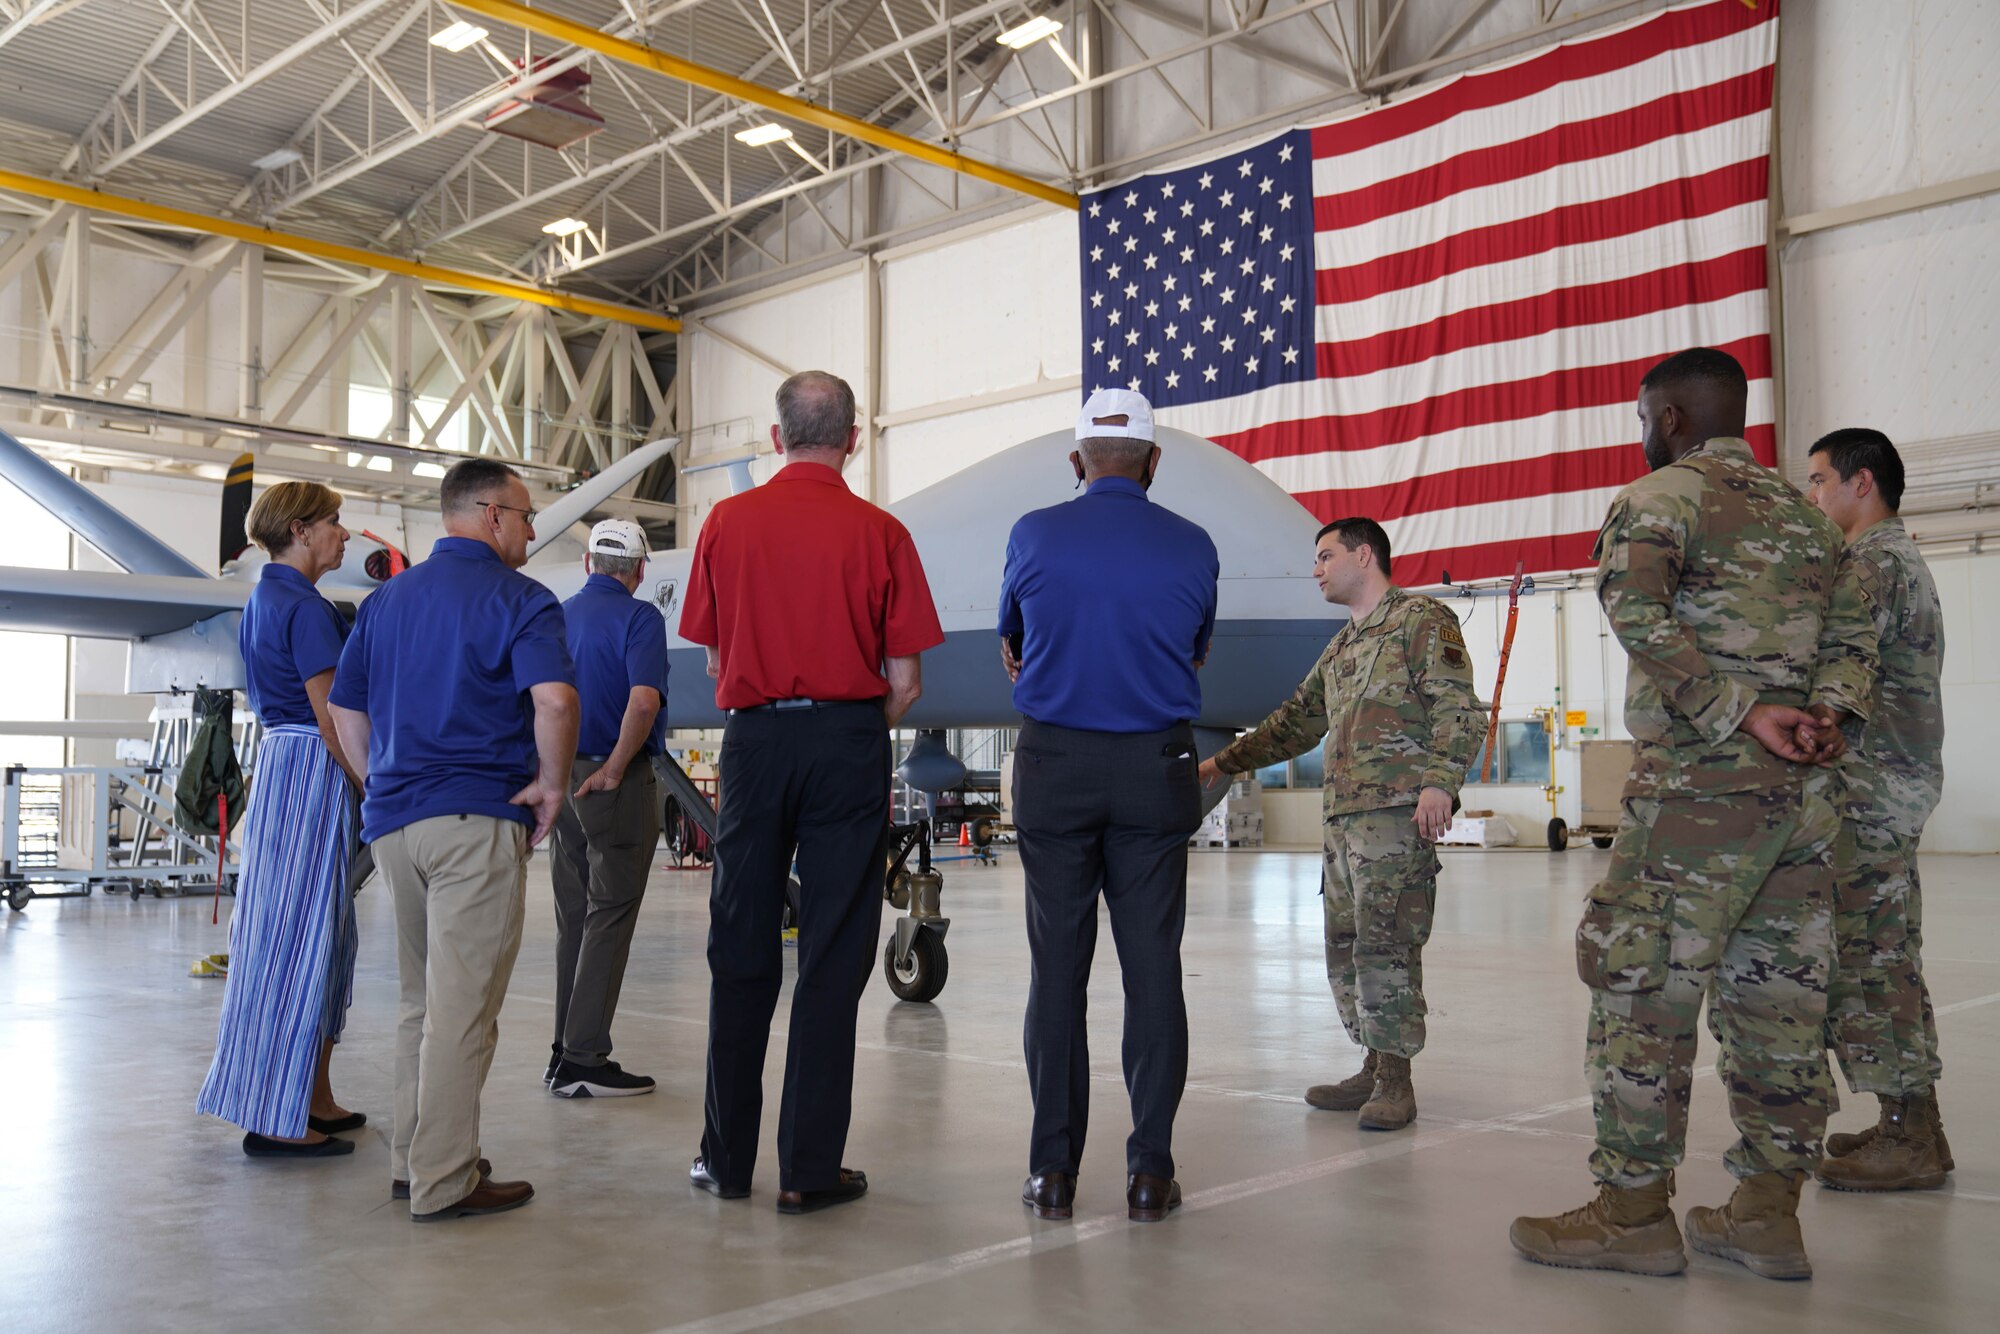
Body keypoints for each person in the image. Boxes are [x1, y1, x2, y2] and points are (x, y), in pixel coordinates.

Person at [1509, 347, 1876, 1281]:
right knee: (1782, 1003)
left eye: (1643, 416)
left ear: (1668, 416)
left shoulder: (1663, 495)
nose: (1642, 432)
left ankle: (1632, 1213)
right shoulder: (1812, 518)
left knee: (1642, 995)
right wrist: (1827, 717)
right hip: (1802, 802)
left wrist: (1734, 711)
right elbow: (1853, 637)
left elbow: (1637, 610)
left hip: (1694, 801)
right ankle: (1766, 1214)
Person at [678, 370, 943, 1214]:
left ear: (775, 433)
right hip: (847, 741)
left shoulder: (726, 522)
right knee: (833, 951)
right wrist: (856, 721)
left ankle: (725, 1160)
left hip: (755, 741)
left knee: (741, 940)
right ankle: (808, 1170)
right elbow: (906, 680)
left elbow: (715, 659)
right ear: (855, 438)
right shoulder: (882, 532)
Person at [329, 458, 578, 1222]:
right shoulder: (522, 598)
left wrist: (383, 786)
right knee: (463, 1011)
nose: (534, 530)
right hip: (475, 821)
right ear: (491, 514)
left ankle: (414, 1161)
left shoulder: (385, 601)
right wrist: (553, 784)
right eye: (528, 515)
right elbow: (556, 699)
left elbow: (346, 712)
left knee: (420, 1004)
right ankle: (444, 1178)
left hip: (398, 826)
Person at [1001, 389, 1217, 1225]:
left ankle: (1052, 1172)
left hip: (1055, 763)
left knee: (1058, 968)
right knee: (1152, 966)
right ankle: (1150, 1173)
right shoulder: (1193, 545)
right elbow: (1197, 642)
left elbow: (1013, 640)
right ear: (1154, 463)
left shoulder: (1034, 533)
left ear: (1077, 461)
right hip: (1155, 764)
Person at [1197, 517, 1482, 1132]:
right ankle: (1373, 1064)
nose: (1316, 569)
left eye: (1326, 556)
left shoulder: (1421, 623)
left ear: (1363, 554)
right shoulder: (1343, 646)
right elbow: (1296, 722)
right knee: (1345, 947)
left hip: (1394, 816)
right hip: (1342, 822)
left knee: (1387, 943)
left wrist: (1441, 782)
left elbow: (1458, 706)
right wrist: (1221, 762)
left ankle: (1397, 1082)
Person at [198, 482, 366, 1159]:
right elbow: (331, 718)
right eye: (334, 523)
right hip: (311, 769)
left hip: (284, 767)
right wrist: (371, 785)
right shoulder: (303, 608)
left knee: (325, 936)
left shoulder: (264, 599)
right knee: (301, 938)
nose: (344, 535)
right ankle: (274, 1113)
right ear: (299, 530)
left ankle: (312, 1094)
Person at [1803, 429, 1950, 1191]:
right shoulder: (1893, 559)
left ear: (1863, 484)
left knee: (1874, 962)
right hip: (1888, 785)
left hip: (1871, 792)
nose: (1812, 495)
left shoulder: (1873, 566)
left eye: (1820, 480)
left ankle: (1911, 1134)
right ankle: (1910, 1122)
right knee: (1885, 956)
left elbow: (1827, 672)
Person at [546, 518, 668, 1100]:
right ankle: (584, 1057)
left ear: (589, 563)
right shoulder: (640, 618)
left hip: (563, 780)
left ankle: (561, 1050)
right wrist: (617, 767)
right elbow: (643, 701)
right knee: (610, 915)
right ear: (639, 570)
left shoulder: (557, 616)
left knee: (574, 916)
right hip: (612, 782)